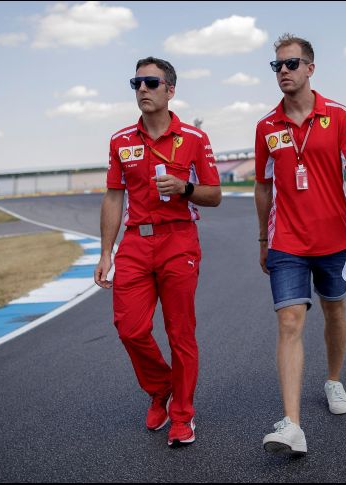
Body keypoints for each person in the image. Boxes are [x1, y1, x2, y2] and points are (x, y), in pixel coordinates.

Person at [254, 34, 346, 456]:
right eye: (277, 66)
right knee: (289, 322)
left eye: (291, 64)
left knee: (334, 310)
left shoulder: (338, 115)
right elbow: (262, 186)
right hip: (286, 240)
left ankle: (333, 380)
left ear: (310, 68)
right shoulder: (267, 127)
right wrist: (262, 238)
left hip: (333, 239)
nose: (283, 71)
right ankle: (292, 425)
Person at [95, 56, 222, 448]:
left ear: (170, 90)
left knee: (180, 333)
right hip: (135, 242)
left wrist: (185, 188)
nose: (143, 89)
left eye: (151, 83)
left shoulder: (194, 138)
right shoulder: (120, 140)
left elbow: (214, 195)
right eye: (136, 83)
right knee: (129, 328)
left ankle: (181, 415)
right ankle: (161, 387)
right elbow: (113, 197)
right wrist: (106, 252)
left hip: (178, 240)